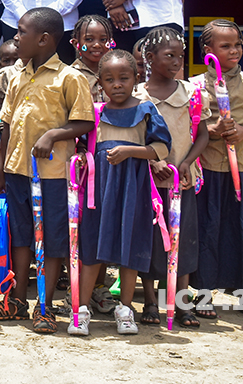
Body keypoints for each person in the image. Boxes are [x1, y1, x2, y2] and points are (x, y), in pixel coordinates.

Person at [0, 7, 93, 334]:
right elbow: (6, 124)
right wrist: (0, 169)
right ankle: (16, 299)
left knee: (52, 239)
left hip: (54, 174)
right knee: (22, 235)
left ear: (43, 39)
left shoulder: (69, 78)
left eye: (22, 32)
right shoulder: (16, 77)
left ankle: (45, 306)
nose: (16, 37)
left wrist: (54, 134)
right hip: (16, 170)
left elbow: (85, 120)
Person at [72, 50, 171, 336]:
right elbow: (82, 145)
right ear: (100, 83)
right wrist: (81, 157)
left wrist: (131, 152)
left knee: (130, 245)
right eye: (109, 79)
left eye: (124, 78)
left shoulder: (146, 110)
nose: (117, 84)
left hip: (134, 188)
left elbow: (162, 148)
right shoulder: (95, 112)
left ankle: (125, 309)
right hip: (98, 190)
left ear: (136, 78)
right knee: (92, 247)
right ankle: (81, 310)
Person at [190, 20, 243, 322]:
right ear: (208, 51)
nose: (234, 50)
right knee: (209, 230)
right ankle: (202, 294)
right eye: (225, 46)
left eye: (237, 44)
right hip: (210, 169)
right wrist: (212, 130)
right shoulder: (196, 86)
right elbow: (192, 127)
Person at [133, 26, 208, 329]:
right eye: (170, 55)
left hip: (182, 180)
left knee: (183, 241)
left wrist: (188, 162)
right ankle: (150, 300)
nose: (178, 61)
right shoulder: (137, 95)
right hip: (148, 182)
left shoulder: (191, 93)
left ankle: (181, 302)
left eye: (181, 55)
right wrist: (153, 164)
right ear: (150, 58)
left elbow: (201, 134)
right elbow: (134, 138)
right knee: (149, 242)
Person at [69, 14, 115, 103]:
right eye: (89, 39)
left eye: (103, 40)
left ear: (110, 42)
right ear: (76, 43)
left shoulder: (116, 71)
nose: (97, 45)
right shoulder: (70, 75)